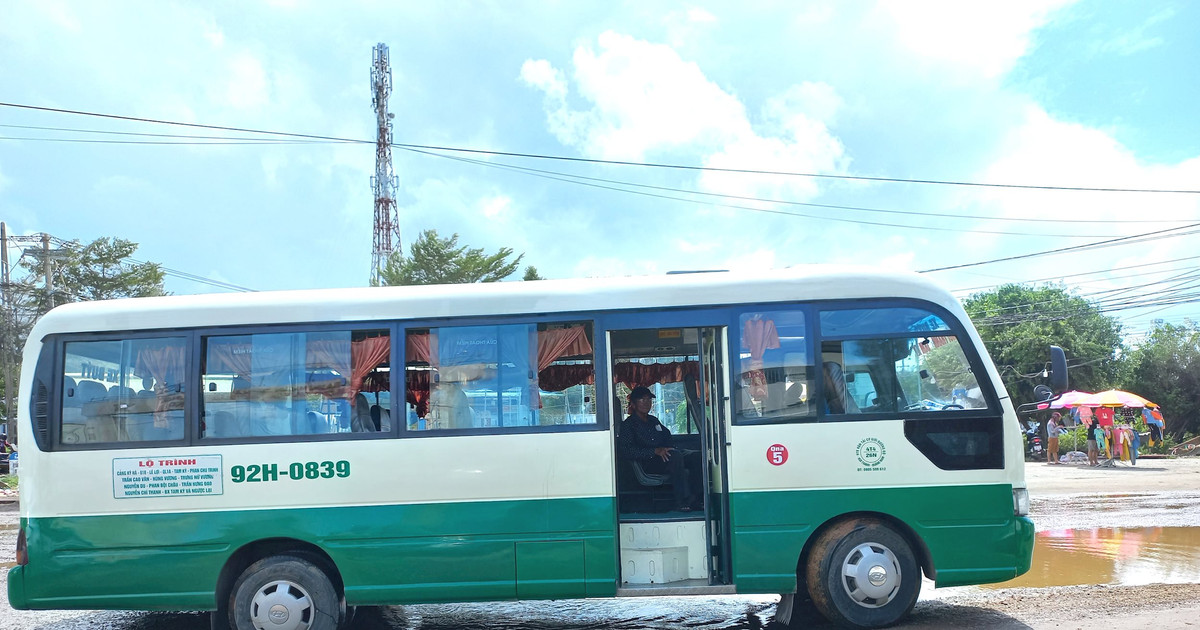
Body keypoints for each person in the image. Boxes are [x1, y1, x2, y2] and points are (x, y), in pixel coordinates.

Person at [618, 386, 703, 511]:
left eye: (649, 399)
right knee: (675, 457)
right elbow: (627, 451)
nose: (647, 402)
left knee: (697, 456)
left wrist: (668, 447)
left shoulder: (653, 420)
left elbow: (666, 435)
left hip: (666, 454)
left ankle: (698, 499)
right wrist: (654, 451)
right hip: (648, 461)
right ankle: (682, 501)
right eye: (642, 399)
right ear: (633, 404)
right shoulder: (628, 425)